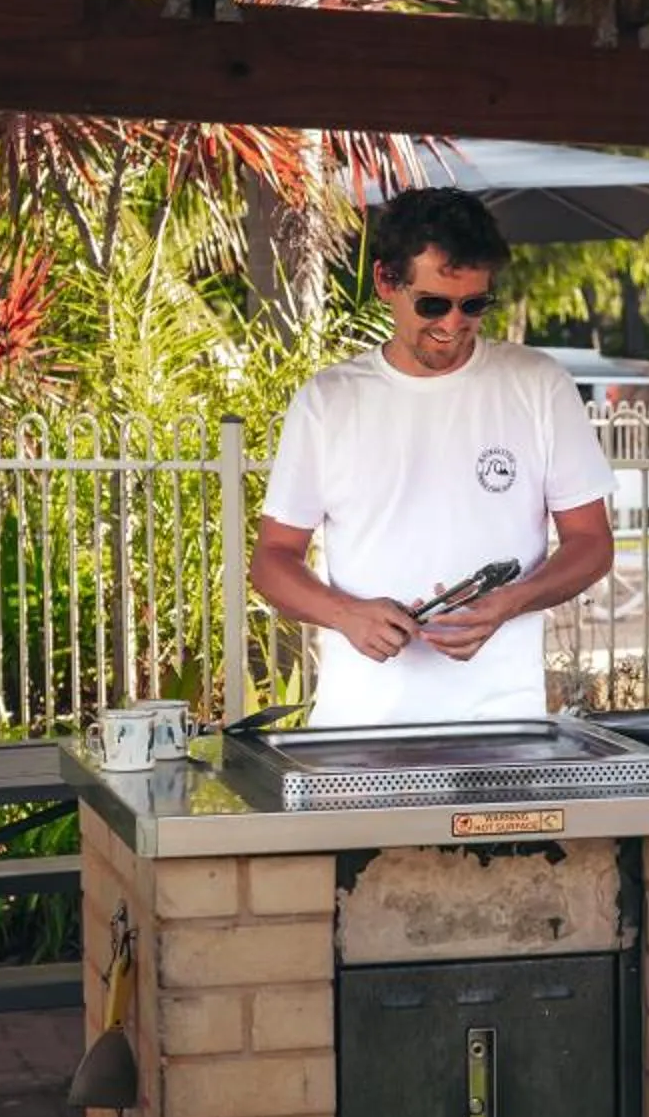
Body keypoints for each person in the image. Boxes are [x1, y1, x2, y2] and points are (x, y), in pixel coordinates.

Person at [253, 188, 616, 727]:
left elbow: (592, 543)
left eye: (474, 305)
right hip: (359, 726)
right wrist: (346, 614)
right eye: (432, 304)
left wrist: (512, 601)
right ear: (385, 282)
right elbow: (272, 560)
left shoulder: (539, 385)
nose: (452, 324)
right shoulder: (329, 400)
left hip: (501, 724)